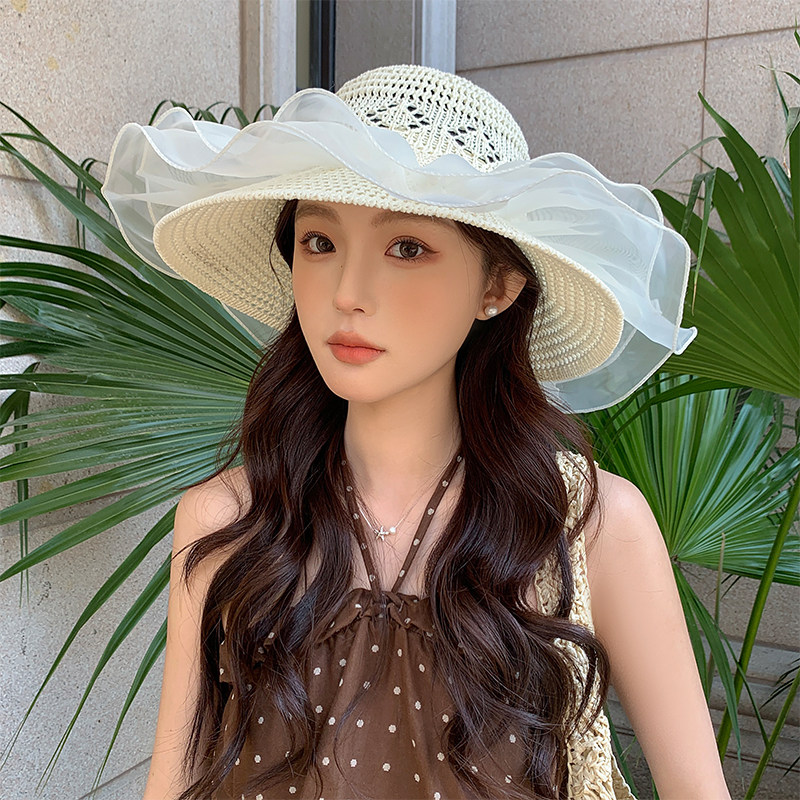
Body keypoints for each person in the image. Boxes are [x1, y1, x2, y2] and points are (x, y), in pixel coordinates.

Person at [101, 64, 731, 800]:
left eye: (406, 247)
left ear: (496, 287)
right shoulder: (229, 521)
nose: (348, 293)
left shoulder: (590, 525)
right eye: (319, 241)